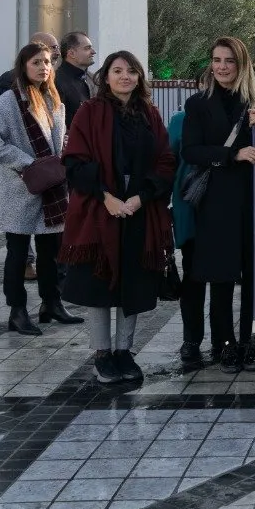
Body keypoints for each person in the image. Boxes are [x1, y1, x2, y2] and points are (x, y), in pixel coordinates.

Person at [60, 51, 176, 385]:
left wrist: (142, 197)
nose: (125, 77)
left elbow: (165, 161)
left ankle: (125, 351)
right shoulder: (89, 112)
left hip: (140, 208)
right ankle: (102, 354)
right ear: (105, 77)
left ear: (140, 77)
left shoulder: (150, 115)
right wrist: (107, 197)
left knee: (133, 281)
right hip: (100, 209)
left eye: (131, 71)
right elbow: (74, 161)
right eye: (117, 70)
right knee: (100, 282)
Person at [181, 37, 255, 373]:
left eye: (229, 60)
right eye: (216, 60)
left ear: (242, 63)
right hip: (216, 200)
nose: (221, 67)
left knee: (250, 274)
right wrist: (232, 154)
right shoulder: (198, 104)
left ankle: (247, 342)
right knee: (220, 275)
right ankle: (224, 343)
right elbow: (191, 151)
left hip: (252, 198)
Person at [0, 41, 82, 334]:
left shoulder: (53, 98)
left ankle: (51, 303)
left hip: (52, 190)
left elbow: (57, 140)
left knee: (53, 253)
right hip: (21, 189)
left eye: (48, 62)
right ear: (23, 66)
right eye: (36, 62)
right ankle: (17, 311)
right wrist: (27, 163)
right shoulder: (9, 101)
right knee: (18, 253)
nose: (43, 67)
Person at [58, 31, 97, 119]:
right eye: (87, 48)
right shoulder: (55, 81)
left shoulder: (94, 79)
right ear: (72, 54)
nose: (93, 52)